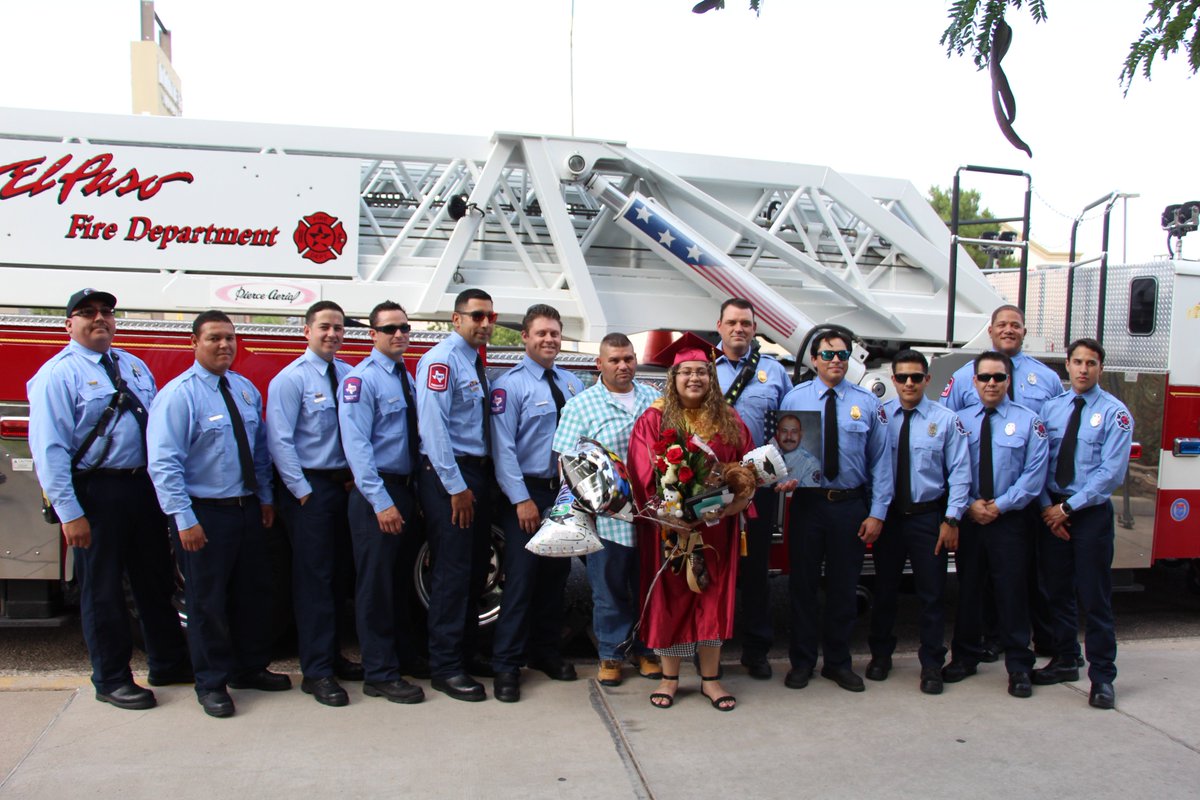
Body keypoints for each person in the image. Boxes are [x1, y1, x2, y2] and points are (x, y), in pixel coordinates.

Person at [27, 288, 190, 711]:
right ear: (69, 324)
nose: (99, 318)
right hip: (95, 492)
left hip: (141, 487)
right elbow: (49, 450)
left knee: (154, 581)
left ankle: (168, 662)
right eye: (87, 312)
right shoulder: (57, 375)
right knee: (102, 590)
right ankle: (111, 678)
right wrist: (70, 513)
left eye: (106, 312)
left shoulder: (133, 366)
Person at [147, 310, 290, 718]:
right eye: (214, 338)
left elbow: (259, 451)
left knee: (253, 594)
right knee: (207, 603)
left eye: (230, 337)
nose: (224, 345)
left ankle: (249, 668)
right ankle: (211, 683)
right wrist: (184, 519)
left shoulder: (244, 390)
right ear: (194, 342)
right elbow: (164, 464)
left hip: (245, 509)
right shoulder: (179, 395)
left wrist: (265, 499)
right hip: (204, 514)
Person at [628, 333, 754, 710]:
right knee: (671, 598)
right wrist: (671, 514)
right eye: (686, 372)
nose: (694, 378)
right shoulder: (654, 418)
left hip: (717, 528)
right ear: (673, 377)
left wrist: (734, 504)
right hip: (670, 531)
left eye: (701, 371)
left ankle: (711, 680)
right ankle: (670, 678)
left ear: (711, 378)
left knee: (712, 597)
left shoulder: (728, 418)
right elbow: (641, 473)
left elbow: (747, 466)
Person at [941, 304, 1063, 660]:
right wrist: (967, 503)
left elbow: (1052, 433)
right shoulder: (964, 375)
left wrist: (1019, 501)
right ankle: (989, 641)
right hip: (976, 501)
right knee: (977, 582)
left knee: (1029, 576)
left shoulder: (1046, 378)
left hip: (1029, 498)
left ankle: (1041, 641)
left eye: (1016, 325)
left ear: (1024, 331)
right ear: (991, 330)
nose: (1009, 330)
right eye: (1002, 325)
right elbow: (948, 436)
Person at [779, 326, 892, 692]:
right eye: (828, 354)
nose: (836, 361)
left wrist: (877, 513)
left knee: (844, 589)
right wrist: (783, 476)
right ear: (814, 360)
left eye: (842, 355)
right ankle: (802, 663)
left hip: (849, 506)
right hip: (808, 504)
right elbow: (781, 450)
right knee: (803, 587)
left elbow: (882, 463)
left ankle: (838, 663)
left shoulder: (867, 403)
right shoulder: (794, 399)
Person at [267, 300, 365, 707]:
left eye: (338, 327)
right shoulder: (290, 380)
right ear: (306, 331)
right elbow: (279, 440)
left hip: (344, 487)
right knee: (315, 581)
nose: (332, 334)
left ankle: (333, 657)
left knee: (340, 576)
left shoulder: (349, 375)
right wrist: (303, 492)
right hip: (311, 490)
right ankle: (317, 672)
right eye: (324, 327)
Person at [552, 332, 660, 688]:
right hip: (608, 519)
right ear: (600, 364)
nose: (623, 365)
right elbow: (566, 463)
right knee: (608, 590)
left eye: (628, 358)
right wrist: (584, 509)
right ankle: (612, 654)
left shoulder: (654, 399)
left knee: (647, 587)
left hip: (651, 516)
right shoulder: (581, 406)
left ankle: (646, 649)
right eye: (614, 360)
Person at [488, 305, 585, 702]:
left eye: (554, 333)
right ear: (525, 337)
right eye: (541, 333)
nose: (549, 339)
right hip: (527, 493)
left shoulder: (573, 383)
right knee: (521, 580)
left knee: (554, 577)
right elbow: (503, 449)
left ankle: (545, 652)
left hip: (563, 493)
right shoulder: (508, 386)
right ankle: (506, 665)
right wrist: (521, 500)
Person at [1032, 338, 1132, 710]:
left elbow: (1111, 473)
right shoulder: (1051, 409)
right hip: (1053, 513)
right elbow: (1038, 463)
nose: (1083, 369)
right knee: (1056, 592)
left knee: (1094, 597)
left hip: (1088, 515)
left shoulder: (1115, 413)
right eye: (1077, 362)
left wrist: (1068, 509)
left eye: (1091, 363)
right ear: (1068, 365)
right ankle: (1065, 659)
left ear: (1100, 368)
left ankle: (1102, 677)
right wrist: (1049, 508)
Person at [944, 352, 1049, 699]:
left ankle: (1019, 666)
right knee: (969, 591)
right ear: (974, 381)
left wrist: (1000, 506)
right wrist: (969, 505)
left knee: (1012, 592)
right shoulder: (957, 421)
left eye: (998, 377)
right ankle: (964, 658)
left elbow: (1034, 475)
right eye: (985, 377)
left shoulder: (1029, 422)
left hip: (1010, 521)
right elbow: (948, 468)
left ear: (1008, 381)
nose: (992, 383)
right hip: (971, 519)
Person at [865, 350, 971, 695]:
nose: (909, 383)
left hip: (928, 518)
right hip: (890, 519)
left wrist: (952, 519)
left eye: (915, 377)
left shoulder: (946, 420)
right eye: (902, 377)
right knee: (884, 592)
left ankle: (931, 665)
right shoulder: (880, 417)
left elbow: (960, 473)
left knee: (931, 595)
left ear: (927, 380)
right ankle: (881, 656)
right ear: (893, 380)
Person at [338, 300, 427, 706]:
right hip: (379, 494)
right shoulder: (361, 380)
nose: (399, 334)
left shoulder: (405, 377)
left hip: (404, 490)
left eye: (404, 328)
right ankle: (379, 673)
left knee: (399, 583)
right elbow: (357, 447)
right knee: (375, 587)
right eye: (390, 328)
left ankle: (404, 657)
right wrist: (380, 501)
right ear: (372, 334)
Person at [415, 288, 497, 702]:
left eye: (490, 317)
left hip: (475, 475)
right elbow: (433, 429)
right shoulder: (442, 360)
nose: (485, 324)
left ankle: (465, 653)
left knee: (475, 569)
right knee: (451, 572)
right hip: (452, 476)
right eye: (476, 316)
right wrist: (456, 487)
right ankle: (445, 668)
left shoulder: (473, 360)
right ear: (456, 318)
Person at [713, 298, 792, 680]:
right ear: (719, 326)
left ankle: (756, 651)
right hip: (711, 484)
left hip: (756, 485)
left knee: (756, 570)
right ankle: (709, 647)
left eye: (745, 323)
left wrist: (791, 469)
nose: (738, 329)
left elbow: (790, 429)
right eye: (732, 322)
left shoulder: (774, 371)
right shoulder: (702, 368)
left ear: (754, 329)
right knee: (711, 567)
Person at [773, 413, 821, 489]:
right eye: (784, 431)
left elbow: (808, 495)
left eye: (794, 431)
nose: (789, 436)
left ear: (801, 434)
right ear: (778, 433)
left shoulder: (811, 465)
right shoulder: (767, 456)